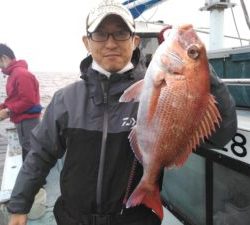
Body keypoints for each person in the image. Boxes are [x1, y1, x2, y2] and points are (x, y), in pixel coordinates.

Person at [7, 0, 237, 225]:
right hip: (72, 218)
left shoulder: (154, 87)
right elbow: (40, 154)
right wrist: (20, 204)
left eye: (120, 33)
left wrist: (199, 67)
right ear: (86, 42)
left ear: (135, 41)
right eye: (100, 34)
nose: (110, 43)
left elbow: (220, 137)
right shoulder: (65, 99)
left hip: (136, 218)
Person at [0, 44, 42, 161]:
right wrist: (3, 107)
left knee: (31, 152)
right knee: (27, 149)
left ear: (3, 58)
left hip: (28, 122)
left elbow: (28, 101)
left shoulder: (20, 74)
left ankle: (33, 178)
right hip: (22, 122)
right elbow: (14, 99)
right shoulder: (14, 74)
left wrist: (7, 111)